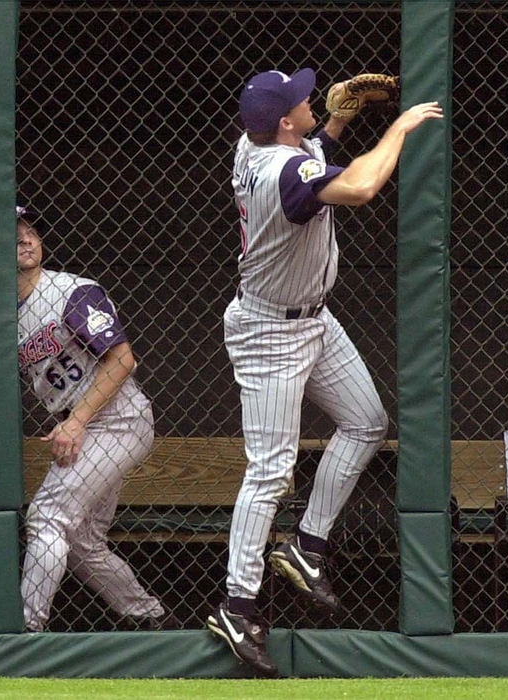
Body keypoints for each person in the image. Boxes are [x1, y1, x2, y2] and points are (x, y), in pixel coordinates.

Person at [205, 67, 442, 676]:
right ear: (284, 121)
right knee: (270, 473)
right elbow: (358, 188)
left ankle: (307, 546)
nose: (313, 99)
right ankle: (236, 605)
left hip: (312, 317)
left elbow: (309, 161)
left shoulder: (259, 141)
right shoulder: (278, 169)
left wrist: (334, 123)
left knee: (366, 421)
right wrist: (399, 127)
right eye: (303, 101)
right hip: (269, 332)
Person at [15, 204, 174, 632]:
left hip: (116, 419)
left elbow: (122, 360)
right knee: (82, 539)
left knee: (47, 516)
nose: (26, 238)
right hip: (81, 424)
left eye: (30, 230)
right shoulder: (0, 315)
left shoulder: (71, 292)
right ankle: (149, 617)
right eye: (13, 232)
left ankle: (25, 630)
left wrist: (77, 421)